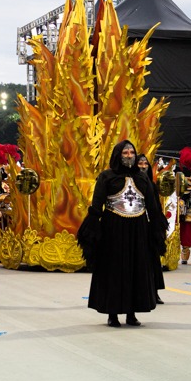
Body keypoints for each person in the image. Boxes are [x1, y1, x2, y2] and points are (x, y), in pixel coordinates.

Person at [77, 140, 168, 327]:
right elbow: (97, 205)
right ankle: (113, 314)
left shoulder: (143, 179)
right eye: (125, 152)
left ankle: (132, 313)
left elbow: (152, 207)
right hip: (113, 230)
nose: (129, 155)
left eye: (131, 152)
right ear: (118, 155)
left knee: (137, 269)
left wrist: (156, 232)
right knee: (114, 270)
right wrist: (92, 231)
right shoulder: (106, 177)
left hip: (139, 230)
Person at [136, 153, 166, 304]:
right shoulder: (132, 183)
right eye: (140, 163)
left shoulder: (152, 185)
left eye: (145, 164)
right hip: (136, 225)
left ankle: (154, 291)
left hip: (150, 226)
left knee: (153, 259)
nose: (142, 166)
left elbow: (156, 208)